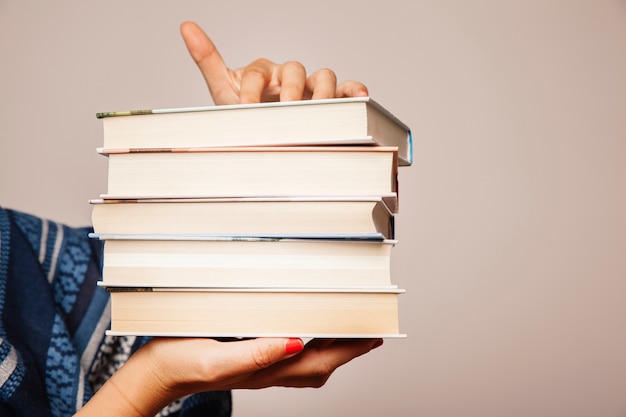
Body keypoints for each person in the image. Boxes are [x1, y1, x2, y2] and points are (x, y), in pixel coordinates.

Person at [0, 21, 383, 417]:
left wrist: (249, 181)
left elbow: (132, 291)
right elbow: (151, 353)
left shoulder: (25, 255)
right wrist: (149, 382)